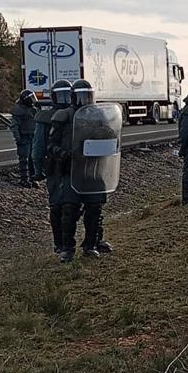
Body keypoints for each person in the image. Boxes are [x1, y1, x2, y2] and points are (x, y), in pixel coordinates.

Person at [48, 78, 120, 262]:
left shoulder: (99, 117)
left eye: (88, 96)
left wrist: (107, 143)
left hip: (94, 169)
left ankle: (90, 245)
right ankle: (67, 249)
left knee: (94, 210)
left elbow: (112, 137)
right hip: (71, 170)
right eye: (81, 96)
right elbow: (52, 144)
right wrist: (62, 153)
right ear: (73, 97)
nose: (84, 100)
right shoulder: (63, 116)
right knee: (69, 210)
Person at [32, 79, 72, 254]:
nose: (64, 99)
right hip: (56, 165)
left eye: (66, 95)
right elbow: (39, 146)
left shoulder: (78, 114)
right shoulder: (45, 117)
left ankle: (91, 241)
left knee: (88, 204)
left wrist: (37, 169)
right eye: (60, 95)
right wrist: (38, 168)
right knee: (57, 205)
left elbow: (37, 147)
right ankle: (60, 243)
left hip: (74, 164)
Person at [10, 89, 39, 187]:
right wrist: (18, 138)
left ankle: (33, 178)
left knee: (32, 159)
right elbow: (14, 125)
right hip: (24, 138)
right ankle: (24, 179)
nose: (33, 100)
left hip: (32, 137)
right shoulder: (19, 110)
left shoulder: (33, 110)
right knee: (24, 159)